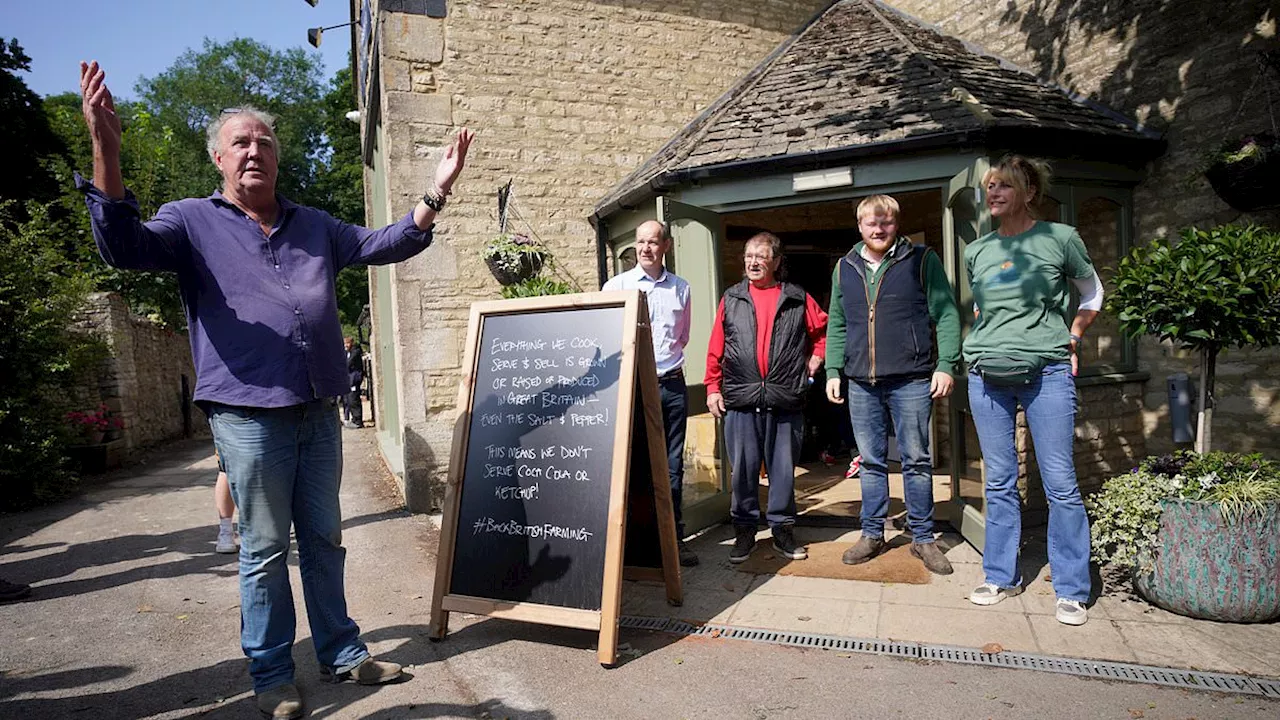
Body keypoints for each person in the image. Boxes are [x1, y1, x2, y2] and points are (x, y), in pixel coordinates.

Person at [78, 60, 474, 718]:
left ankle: (343, 653)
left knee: (324, 540)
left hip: (318, 410)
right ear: (217, 159)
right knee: (263, 550)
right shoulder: (188, 222)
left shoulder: (314, 224)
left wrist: (435, 191)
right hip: (247, 415)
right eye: (241, 141)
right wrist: (106, 149)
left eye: (264, 141)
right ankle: (269, 674)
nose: (254, 150)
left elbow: (386, 242)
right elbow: (121, 247)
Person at [962, 155, 1102, 626]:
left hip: (1047, 371)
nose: (993, 194)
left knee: (1060, 483)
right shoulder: (976, 251)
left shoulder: (1060, 238)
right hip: (985, 374)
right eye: (989, 187)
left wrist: (1074, 336)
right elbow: (984, 309)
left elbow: (1092, 293)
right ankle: (1000, 575)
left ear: (1028, 192)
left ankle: (1071, 589)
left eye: (1003, 186)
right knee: (999, 480)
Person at [825, 195, 961, 576]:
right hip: (861, 383)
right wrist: (834, 369)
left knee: (916, 462)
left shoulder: (921, 260)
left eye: (885, 223)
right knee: (870, 462)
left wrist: (946, 364)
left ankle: (922, 538)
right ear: (860, 226)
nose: (878, 229)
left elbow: (946, 314)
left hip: (912, 380)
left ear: (896, 225)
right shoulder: (844, 267)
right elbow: (838, 322)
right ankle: (872, 533)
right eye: (871, 223)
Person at [706, 232, 827, 564]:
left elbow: (825, 332)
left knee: (783, 470)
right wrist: (712, 387)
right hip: (742, 399)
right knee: (743, 471)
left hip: (785, 397)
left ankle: (782, 530)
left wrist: (817, 357)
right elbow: (716, 347)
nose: (753, 262)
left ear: (776, 262)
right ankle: (744, 531)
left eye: (761, 256)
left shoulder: (796, 297)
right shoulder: (731, 298)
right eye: (748, 256)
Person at [602, 221, 698, 567]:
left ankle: (674, 540)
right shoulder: (616, 286)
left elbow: (682, 337)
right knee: (634, 463)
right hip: (634, 385)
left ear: (666, 246)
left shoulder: (681, 289)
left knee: (673, 466)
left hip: (671, 384)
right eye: (640, 241)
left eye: (653, 242)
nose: (646, 248)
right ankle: (636, 546)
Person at [343, 337, 364, 429]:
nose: (345, 346)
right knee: (349, 400)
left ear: (351, 343)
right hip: (349, 379)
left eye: (347, 343)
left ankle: (358, 421)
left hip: (354, 379)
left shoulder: (355, 351)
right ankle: (354, 419)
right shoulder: (348, 352)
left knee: (354, 399)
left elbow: (348, 363)